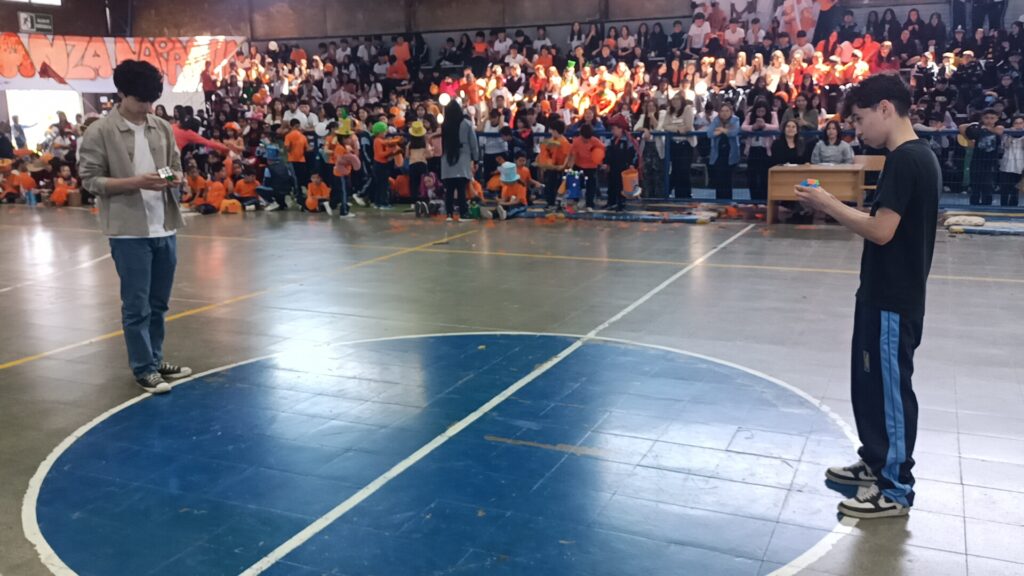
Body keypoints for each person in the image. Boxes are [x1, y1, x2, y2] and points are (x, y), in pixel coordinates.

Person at [795, 74, 939, 519]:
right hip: (879, 293)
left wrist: (828, 204)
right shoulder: (909, 157)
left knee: (891, 391)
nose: (857, 130)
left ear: (885, 109)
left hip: (895, 298)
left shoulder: (908, 159)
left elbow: (881, 230)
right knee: (870, 383)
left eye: (860, 119)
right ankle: (876, 461)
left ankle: (895, 488)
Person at [77, 60, 190, 394]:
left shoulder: (161, 127)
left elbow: (175, 168)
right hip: (129, 232)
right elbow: (90, 180)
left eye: (151, 100)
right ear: (121, 94)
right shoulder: (100, 131)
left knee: (159, 303)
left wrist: (166, 179)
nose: (146, 107)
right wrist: (136, 182)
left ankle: (155, 359)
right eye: (140, 100)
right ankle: (143, 369)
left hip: (164, 226)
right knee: (136, 306)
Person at [440, 100, 480, 222]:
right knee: (461, 188)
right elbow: (473, 143)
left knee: (449, 190)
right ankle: (463, 214)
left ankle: (449, 214)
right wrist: (476, 159)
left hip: (447, 159)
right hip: (462, 158)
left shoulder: (444, 125)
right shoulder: (466, 124)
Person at [960, 108, 1005, 205]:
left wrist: (987, 128)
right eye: (986, 118)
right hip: (977, 160)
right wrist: (969, 138)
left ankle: (987, 205)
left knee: (988, 186)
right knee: (975, 185)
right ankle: (974, 206)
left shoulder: (998, 127)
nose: (989, 120)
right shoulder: (977, 128)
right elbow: (962, 127)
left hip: (991, 162)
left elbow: (999, 131)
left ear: (997, 118)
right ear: (982, 118)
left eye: (992, 118)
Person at [662, 94, 696, 199]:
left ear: (682, 100)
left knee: (684, 170)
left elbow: (688, 126)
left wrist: (675, 127)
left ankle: (686, 195)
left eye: (677, 99)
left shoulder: (687, 109)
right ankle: (677, 195)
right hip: (673, 144)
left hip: (685, 144)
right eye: (673, 99)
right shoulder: (669, 111)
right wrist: (678, 129)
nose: (675, 101)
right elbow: (665, 125)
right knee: (675, 170)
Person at [567, 123, 606, 211]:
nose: (586, 141)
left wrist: (602, 163)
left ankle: (589, 204)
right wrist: (570, 167)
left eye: (588, 139)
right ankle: (575, 201)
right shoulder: (576, 142)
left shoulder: (596, 142)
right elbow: (572, 155)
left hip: (591, 166)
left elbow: (602, 152)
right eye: (584, 139)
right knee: (576, 184)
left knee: (591, 185)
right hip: (578, 165)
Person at [603, 114, 638, 212]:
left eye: (614, 128)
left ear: (620, 129)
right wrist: (606, 163)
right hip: (613, 167)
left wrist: (632, 164)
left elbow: (633, 153)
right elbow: (608, 153)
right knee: (611, 185)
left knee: (621, 186)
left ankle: (621, 203)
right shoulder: (612, 140)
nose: (612, 131)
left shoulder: (628, 141)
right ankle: (611, 202)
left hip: (623, 167)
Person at [707, 101, 740, 200]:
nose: (724, 113)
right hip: (718, 154)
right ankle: (719, 202)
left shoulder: (735, 120)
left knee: (727, 179)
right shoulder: (716, 120)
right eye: (722, 111)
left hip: (730, 154)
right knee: (719, 179)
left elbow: (734, 132)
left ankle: (728, 201)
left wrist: (721, 130)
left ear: (731, 112)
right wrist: (725, 130)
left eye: (727, 111)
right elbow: (710, 133)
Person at [998, 113, 1024, 206]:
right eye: (1016, 123)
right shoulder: (1006, 134)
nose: (1018, 125)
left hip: (1020, 166)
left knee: (1015, 189)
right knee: (1004, 188)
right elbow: (1005, 146)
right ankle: (1003, 206)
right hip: (1007, 165)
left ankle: (1013, 206)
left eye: (1021, 123)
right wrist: (1011, 134)